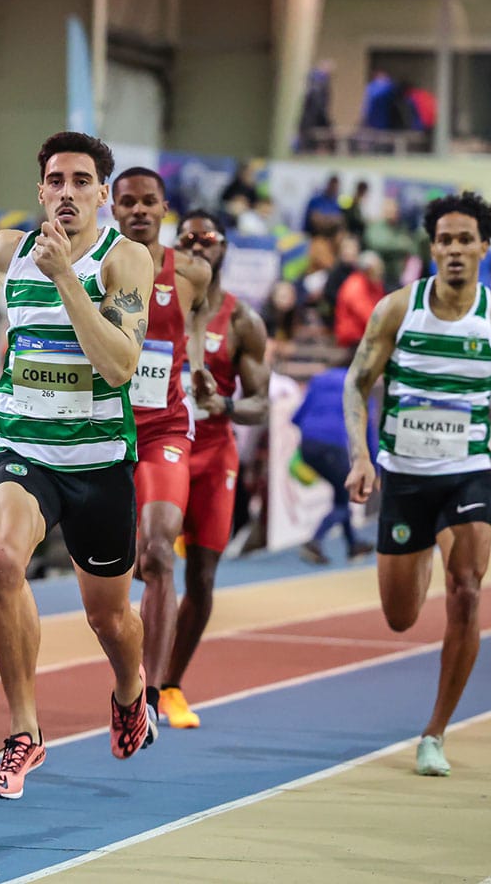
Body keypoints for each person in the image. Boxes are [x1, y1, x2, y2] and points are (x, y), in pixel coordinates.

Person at [343, 190, 491, 777]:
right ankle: (422, 548)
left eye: (465, 239)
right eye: (444, 240)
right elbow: (356, 383)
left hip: (468, 473)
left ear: (484, 247)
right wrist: (361, 458)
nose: (454, 250)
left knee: (467, 590)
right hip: (404, 478)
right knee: (400, 617)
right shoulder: (397, 309)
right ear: (432, 247)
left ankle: (434, 732)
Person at [0, 131, 157, 800]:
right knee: (0, 563)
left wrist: (66, 277)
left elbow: (120, 365)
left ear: (103, 193)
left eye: (80, 181)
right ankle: (23, 735)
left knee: (110, 619)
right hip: (23, 446)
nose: (66, 192)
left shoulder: (124, 261)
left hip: (98, 463)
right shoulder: (6, 250)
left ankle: (131, 691)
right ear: (40, 190)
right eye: (55, 181)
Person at [160, 210, 270, 730]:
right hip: (159, 446)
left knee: (201, 575)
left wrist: (224, 404)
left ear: (225, 247)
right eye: (188, 239)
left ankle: (170, 686)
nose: (198, 246)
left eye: (208, 239)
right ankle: (137, 678)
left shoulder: (243, 320)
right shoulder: (155, 303)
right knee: (147, 558)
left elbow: (262, 405)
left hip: (211, 453)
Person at [110, 165, 211, 728]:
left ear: (165, 209)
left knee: (158, 551)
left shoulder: (191, 272)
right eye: (129, 202)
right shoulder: (90, 264)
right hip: (101, 427)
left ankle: (148, 697)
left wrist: (198, 370)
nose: (140, 211)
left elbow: (198, 326)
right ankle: (128, 673)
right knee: (112, 565)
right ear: (113, 208)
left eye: (150, 202)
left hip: (164, 430)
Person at [293, 364, 375, 565]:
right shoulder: (360, 385)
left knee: (341, 495)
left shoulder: (320, 379)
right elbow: (368, 432)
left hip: (308, 446)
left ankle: (353, 546)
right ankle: (314, 541)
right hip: (332, 446)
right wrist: (376, 468)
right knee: (346, 495)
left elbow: (296, 418)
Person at [334, 250, 386, 349]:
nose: (381, 272)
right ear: (368, 269)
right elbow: (368, 316)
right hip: (353, 339)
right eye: (378, 268)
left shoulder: (374, 284)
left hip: (367, 336)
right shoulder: (355, 286)